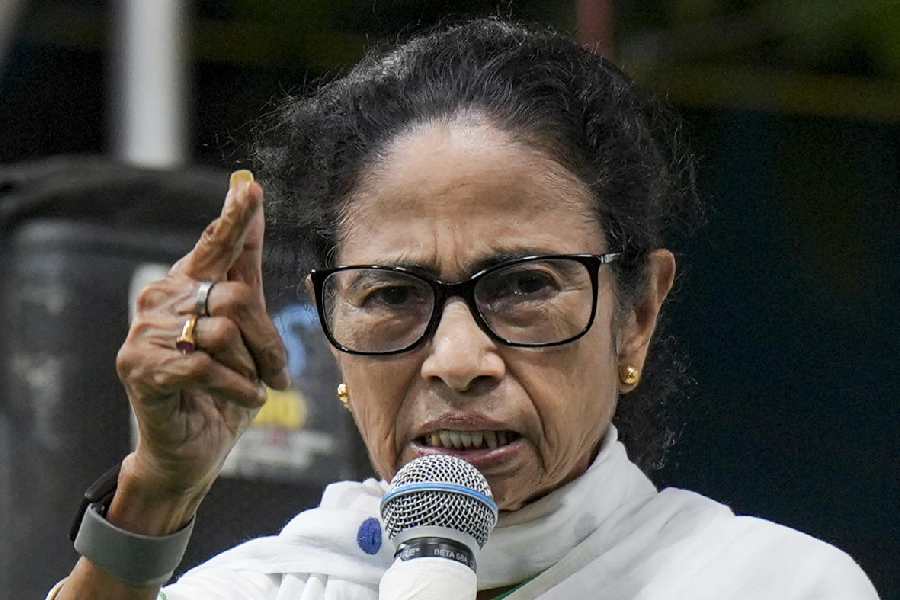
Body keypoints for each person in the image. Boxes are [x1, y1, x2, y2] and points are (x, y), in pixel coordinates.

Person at [50, 17, 879, 600]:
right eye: (393, 296)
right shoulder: (266, 588)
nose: (455, 360)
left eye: (523, 286)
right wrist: (153, 499)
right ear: (330, 333)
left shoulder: (768, 585)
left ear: (638, 313)